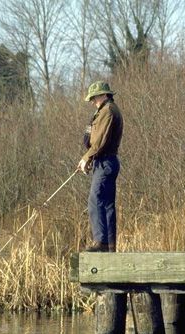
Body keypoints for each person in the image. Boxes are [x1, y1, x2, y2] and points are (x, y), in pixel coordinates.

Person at [77, 81, 123, 252]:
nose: (92, 102)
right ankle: (109, 247)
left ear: (103, 95)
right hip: (104, 162)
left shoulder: (108, 111)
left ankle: (101, 242)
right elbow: (93, 141)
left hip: (105, 162)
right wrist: (89, 159)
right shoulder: (103, 111)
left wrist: (86, 158)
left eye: (93, 98)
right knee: (106, 204)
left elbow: (99, 141)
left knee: (95, 199)